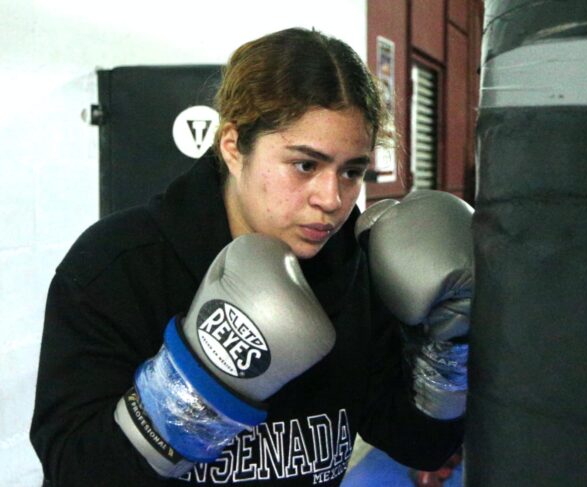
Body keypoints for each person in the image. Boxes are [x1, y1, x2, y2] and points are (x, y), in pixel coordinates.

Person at [30, 27, 470, 486]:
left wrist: (447, 349)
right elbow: (72, 471)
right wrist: (193, 393)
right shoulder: (117, 266)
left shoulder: (356, 268)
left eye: (351, 171)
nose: (332, 198)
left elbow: (421, 445)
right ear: (233, 147)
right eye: (305, 165)